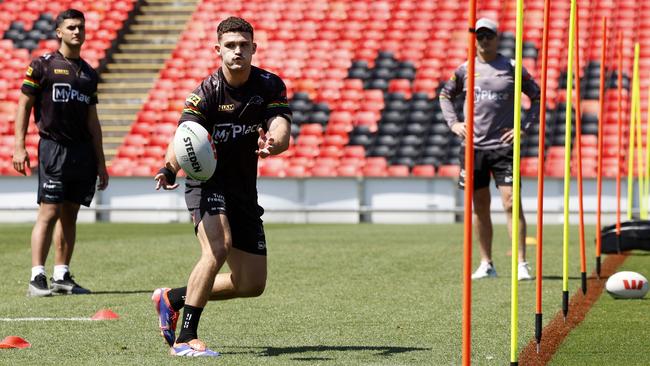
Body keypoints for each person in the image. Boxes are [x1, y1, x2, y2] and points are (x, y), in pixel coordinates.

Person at [152, 17, 291, 357]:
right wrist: (169, 167)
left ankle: (171, 298)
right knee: (218, 247)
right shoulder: (206, 93)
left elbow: (281, 124)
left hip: (243, 190)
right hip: (205, 182)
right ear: (218, 50)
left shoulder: (269, 85)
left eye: (243, 45)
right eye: (230, 45)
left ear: (254, 48)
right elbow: (183, 136)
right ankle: (185, 339)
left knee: (251, 283)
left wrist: (275, 141)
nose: (237, 51)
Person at [13, 9, 109, 297]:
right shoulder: (42, 65)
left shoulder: (89, 73)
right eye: (71, 27)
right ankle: (36, 277)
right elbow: (23, 105)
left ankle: (62, 275)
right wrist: (20, 144)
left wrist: (101, 163)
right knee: (49, 211)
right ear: (59, 32)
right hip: (53, 147)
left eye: (80, 26)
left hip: (82, 153)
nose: (77, 31)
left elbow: (93, 121)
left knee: (71, 213)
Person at [439, 18, 540, 281]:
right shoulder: (465, 69)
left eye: (489, 36)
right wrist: (453, 123)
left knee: (510, 202)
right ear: (475, 39)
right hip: (473, 148)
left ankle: (521, 263)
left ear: (497, 38)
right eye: (480, 36)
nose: (484, 40)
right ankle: (487, 263)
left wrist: (523, 127)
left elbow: (537, 96)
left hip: (504, 147)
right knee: (480, 206)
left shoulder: (512, 67)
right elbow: (445, 95)